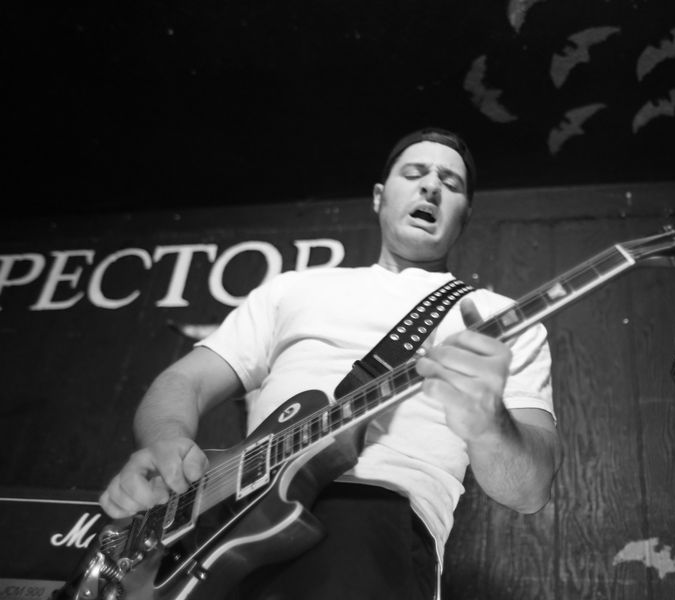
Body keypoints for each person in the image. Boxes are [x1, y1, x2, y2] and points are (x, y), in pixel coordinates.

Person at [99, 128, 561, 599]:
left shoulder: (497, 318)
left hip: (374, 516)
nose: (431, 187)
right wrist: (165, 441)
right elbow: (186, 380)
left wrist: (488, 422)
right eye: (414, 173)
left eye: (451, 182)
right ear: (379, 196)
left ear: (465, 214)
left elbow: (528, 491)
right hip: (227, 516)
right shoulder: (293, 288)